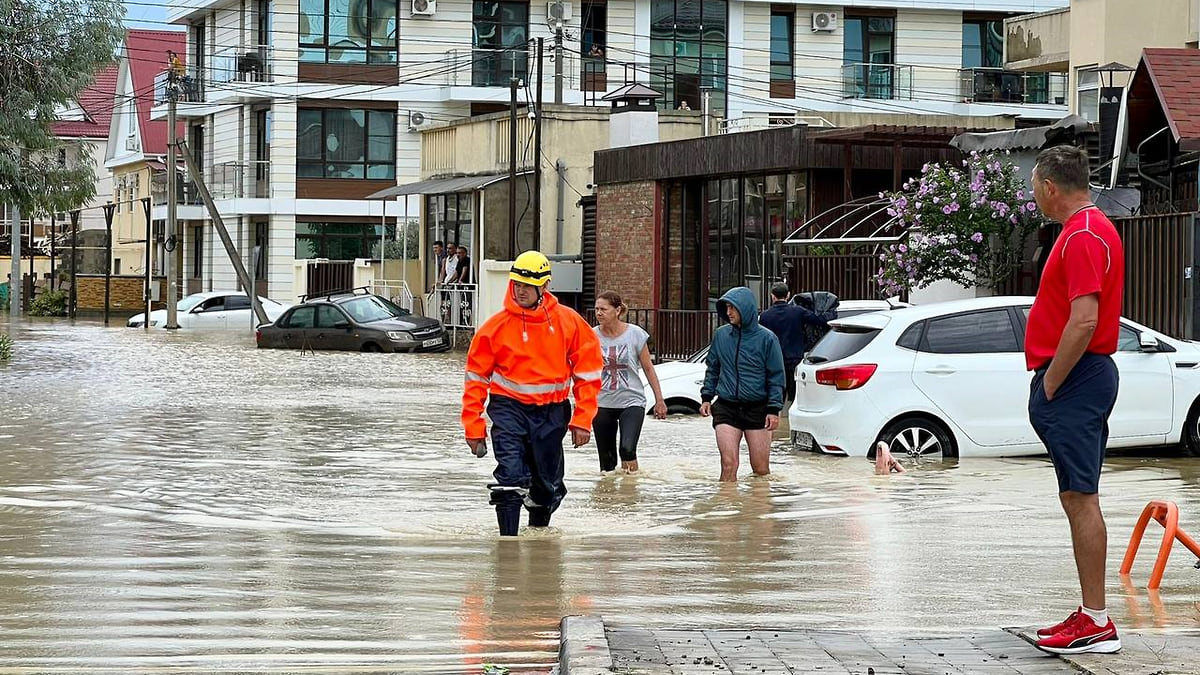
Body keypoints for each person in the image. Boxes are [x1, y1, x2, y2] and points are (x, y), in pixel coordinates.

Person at [1025, 144, 1124, 655]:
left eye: (1034, 187)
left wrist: (1051, 383)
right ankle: (1090, 612)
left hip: (1078, 378)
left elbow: (1084, 319)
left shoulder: (1083, 235)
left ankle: (1099, 622)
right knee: (1075, 495)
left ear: (1048, 186)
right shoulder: (1086, 230)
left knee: (1082, 497)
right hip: (1080, 378)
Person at [462, 250, 603, 536]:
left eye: (527, 285)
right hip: (508, 409)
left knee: (547, 487)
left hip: (552, 413)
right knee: (510, 477)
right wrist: (473, 427)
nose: (520, 290)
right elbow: (475, 380)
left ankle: (538, 536)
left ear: (545, 286)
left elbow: (588, 375)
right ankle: (508, 549)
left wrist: (582, 420)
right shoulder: (494, 328)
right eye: (516, 284)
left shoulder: (569, 322)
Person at [699, 287, 786, 482]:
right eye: (727, 307)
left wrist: (773, 409)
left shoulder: (767, 339)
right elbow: (713, 367)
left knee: (760, 469)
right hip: (726, 407)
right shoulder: (721, 335)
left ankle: (756, 510)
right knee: (729, 464)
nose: (728, 312)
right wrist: (706, 397)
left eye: (733, 308)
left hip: (758, 408)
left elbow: (776, 376)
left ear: (745, 309)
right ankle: (726, 509)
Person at [593, 291, 667, 473]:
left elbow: (648, 368)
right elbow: (583, 369)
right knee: (607, 461)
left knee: (627, 449)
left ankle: (630, 493)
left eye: (603, 309)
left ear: (617, 310)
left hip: (632, 401)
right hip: (602, 402)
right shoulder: (591, 336)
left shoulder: (635, 334)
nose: (599, 313)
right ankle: (609, 499)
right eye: (596, 309)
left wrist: (659, 400)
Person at [758, 282, 832, 403]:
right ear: (788, 295)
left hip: (774, 362)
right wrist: (831, 313)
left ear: (772, 296)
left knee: (776, 396)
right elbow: (818, 320)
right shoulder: (797, 312)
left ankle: (777, 417)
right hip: (794, 360)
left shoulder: (765, 316)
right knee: (795, 398)